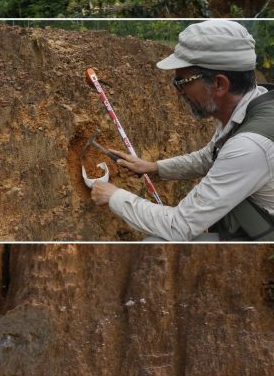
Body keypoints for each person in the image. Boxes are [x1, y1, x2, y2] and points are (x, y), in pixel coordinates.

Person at [90, 20, 274, 241]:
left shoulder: (249, 147)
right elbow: (211, 157)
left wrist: (114, 197)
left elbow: (179, 226)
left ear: (219, 84)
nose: (179, 91)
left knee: (154, 244)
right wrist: (154, 167)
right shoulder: (251, 107)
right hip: (258, 225)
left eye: (182, 81)